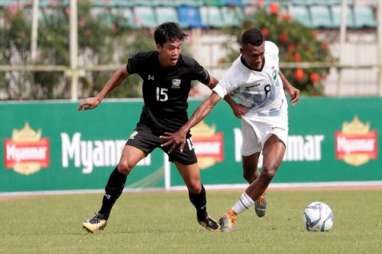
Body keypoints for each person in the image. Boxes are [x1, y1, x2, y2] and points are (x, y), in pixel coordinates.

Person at [79, 22, 220, 233]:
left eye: (178, 47)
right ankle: (102, 216)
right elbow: (122, 72)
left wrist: (235, 105)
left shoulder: (189, 66)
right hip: (148, 128)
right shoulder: (144, 61)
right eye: (171, 48)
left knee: (195, 186)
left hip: (177, 133)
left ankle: (202, 216)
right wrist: (99, 97)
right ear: (159, 46)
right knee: (124, 165)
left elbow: (217, 86)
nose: (175, 52)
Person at [161, 27, 300, 232]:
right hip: (251, 119)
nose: (259, 58)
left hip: (276, 115)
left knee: (269, 171)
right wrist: (184, 129)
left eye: (261, 53)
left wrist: (288, 87)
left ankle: (231, 214)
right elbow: (209, 103)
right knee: (249, 174)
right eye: (254, 55)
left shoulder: (270, 49)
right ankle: (258, 192)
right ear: (242, 51)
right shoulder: (235, 74)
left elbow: (274, 68)